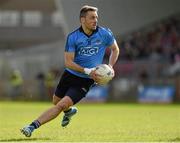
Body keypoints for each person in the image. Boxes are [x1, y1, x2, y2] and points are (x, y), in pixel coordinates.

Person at [21, 5, 119, 137]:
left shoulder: (104, 34)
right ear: (82, 20)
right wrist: (87, 70)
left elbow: (115, 49)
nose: (95, 20)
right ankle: (69, 112)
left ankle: (31, 127)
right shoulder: (73, 37)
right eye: (92, 18)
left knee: (60, 105)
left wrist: (110, 66)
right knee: (56, 101)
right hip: (70, 75)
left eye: (96, 17)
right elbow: (68, 62)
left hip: (86, 81)